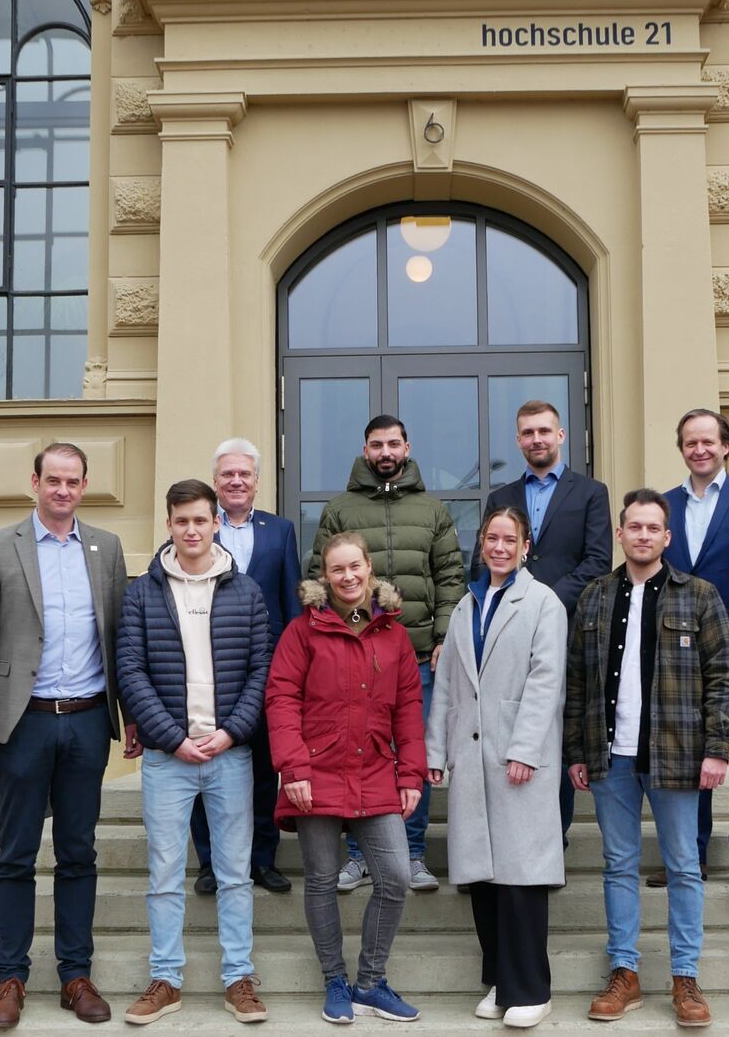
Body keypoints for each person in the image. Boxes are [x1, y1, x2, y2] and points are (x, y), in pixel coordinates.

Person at [0, 442, 129, 1029]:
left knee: (79, 851)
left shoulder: (105, 549)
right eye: (52, 480)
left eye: (72, 481)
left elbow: (120, 642)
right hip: (22, 721)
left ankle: (75, 976)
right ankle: (11, 977)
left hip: (86, 719)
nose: (62, 490)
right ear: (34, 482)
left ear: (85, 486)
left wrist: (126, 719)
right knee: (17, 854)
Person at [565, 489, 729, 1028]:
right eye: (633, 527)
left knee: (683, 866)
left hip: (678, 756)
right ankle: (625, 972)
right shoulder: (594, 596)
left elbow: (726, 677)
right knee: (617, 865)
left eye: (652, 528)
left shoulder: (699, 595)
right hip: (610, 755)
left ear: (666, 537)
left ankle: (686, 977)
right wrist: (575, 750)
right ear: (620, 534)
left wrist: (718, 749)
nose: (642, 535)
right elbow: (576, 682)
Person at [116, 479, 272, 1026]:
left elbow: (261, 670)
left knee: (233, 873)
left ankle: (238, 979)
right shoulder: (142, 592)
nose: (191, 530)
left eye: (200, 521)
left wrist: (230, 733)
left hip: (229, 754)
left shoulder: (244, 590)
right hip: (167, 758)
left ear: (214, 523)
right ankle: (166, 980)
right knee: (164, 874)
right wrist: (173, 737)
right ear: (169, 525)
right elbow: (130, 671)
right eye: (181, 521)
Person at [267, 532, 425, 1025]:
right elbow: (281, 699)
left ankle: (371, 983)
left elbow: (409, 709)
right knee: (320, 879)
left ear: (369, 567)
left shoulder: (392, 633)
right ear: (325, 577)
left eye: (354, 566)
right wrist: (292, 767)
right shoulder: (303, 632)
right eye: (337, 569)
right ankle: (334, 978)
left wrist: (411, 773)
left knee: (396, 877)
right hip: (314, 773)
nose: (348, 577)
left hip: (375, 770)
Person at [308, 414, 464, 892]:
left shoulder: (433, 511)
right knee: (360, 755)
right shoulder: (340, 509)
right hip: (357, 657)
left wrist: (442, 638)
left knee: (411, 757)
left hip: (417, 658)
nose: (385, 453)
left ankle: (413, 854)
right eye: (376, 445)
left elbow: (450, 579)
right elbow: (322, 577)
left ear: (407, 447)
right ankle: (358, 856)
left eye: (393, 444)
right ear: (365, 450)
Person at [428, 507, 567, 1029]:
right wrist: (435, 753)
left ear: (526, 546)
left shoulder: (544, 603)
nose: (501, 547)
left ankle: (531, 988)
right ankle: (498, 982)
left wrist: (526, 750)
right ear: (482, 544)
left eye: (511, 539)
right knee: (482, 878)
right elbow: (447, 688)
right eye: (492, 538)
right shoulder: (466, 605)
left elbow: (545, 681)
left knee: (521, 877)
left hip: (517, 759)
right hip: (471, 756)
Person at [472, 400, 611, 839]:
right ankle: (509, 832)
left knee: (552, 731)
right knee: (508, 726)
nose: (537, 439)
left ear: (561, 436)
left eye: (544, 431)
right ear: (518, 441)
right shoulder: (501, 498)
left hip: (564, 629)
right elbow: (489, 562)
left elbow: (597, 561)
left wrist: (542, 600)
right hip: (506, 634)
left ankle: (555, 836)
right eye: (528, 433)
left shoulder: (590, 492)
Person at [650, 407, 729, 892]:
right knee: (688, 751)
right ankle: (691, 854)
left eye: (708, 441)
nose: (699, 449)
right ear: (681, 449)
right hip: (677, 646)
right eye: (689, 442)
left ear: (726, 446)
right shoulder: (664, 505)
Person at [191, 437, 302, 897]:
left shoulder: (281, 531)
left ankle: (262, 860)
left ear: (257, 483)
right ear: (215, 482)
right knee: (204, 772)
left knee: (262, 771)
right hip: (206, 674)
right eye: (227, 474)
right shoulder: (196, 529)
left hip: (267, 673)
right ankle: (210, 865)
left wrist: (298, 668)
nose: (236, 481)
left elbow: (293, 602)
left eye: (245, 474)